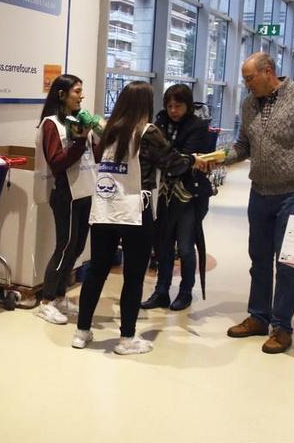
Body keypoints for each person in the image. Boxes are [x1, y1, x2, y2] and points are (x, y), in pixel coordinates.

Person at [208, 53, 294, 355]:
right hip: (260, 193)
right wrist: (216, 160)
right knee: (259, 259)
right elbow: (243, 146)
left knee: (287, 264)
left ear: (269, 72)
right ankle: (258, 317)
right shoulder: (250, 103)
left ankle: (282, 326)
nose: (246, 85)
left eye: (250, 79)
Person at [72, 81, 194, 354]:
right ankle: (127, 339)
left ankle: (81, 332)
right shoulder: (147, 132)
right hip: (134, 212)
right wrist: (194, 161)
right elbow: (174, 164)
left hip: (103, 209)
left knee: (96, 272)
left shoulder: (107, 131)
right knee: (134, 276)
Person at [141, 84, 212, 312]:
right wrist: (177, 158)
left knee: (186, 246)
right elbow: (163, 156)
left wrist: (173, 157)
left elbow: (180, 161)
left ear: (188, 106)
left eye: (178, 106)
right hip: (163, 193)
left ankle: (185, 291)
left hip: (190, 194)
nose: (173, 110)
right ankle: (161, 291)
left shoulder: (198, 126)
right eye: (170, 105)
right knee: (162, 246)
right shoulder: (159, 121)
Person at [34, 74, 96, 325]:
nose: (81, 95)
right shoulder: (51, 124)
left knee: (78, 245)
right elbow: (57, 162)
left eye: (82, 90)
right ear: (62, 94)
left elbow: (93, 154)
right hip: (65, 193)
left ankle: (60, 295)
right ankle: (46, 300)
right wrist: (80, 140)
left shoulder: (76, 120)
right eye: (76, 91)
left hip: (85, 189)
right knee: (64, 245)